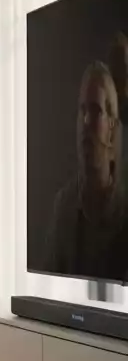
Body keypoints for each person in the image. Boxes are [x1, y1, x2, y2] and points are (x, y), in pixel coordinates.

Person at [41, 58, 128, 280]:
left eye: (96, 110)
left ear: (112, 131)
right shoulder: (63, 207)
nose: (86, 121)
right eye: (82, 110)